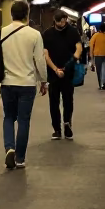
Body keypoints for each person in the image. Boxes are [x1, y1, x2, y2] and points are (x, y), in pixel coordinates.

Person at [0, 0, 48, 170]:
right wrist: (43, 81)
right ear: (27, 14)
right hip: (27, 84)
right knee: (24, 120)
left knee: (8, 117)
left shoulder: (0, 32)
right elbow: (40, 60)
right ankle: (20, 158)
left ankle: (9, 147)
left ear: (11, 14)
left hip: (7, 83)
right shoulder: (34, 35)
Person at [43, 11, 82, 139]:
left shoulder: (73, 31)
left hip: (69, 73)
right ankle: (57, 129)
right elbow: (45, 55)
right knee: (53, 102)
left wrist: (69, 65)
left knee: (68, 100)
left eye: (65, 21)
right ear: (55, 20)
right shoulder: (47, 34)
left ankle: (67, 123)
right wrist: (56, 69)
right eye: (60, 21)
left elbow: (79, 48)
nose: (63, 23)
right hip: (53, 74)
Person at [90, 22, 105, 90]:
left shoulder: (95, 35)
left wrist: (91, 56)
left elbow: (91, 46)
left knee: (99, 70)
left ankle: (100, 84)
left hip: (97, 55)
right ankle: (104, 83)